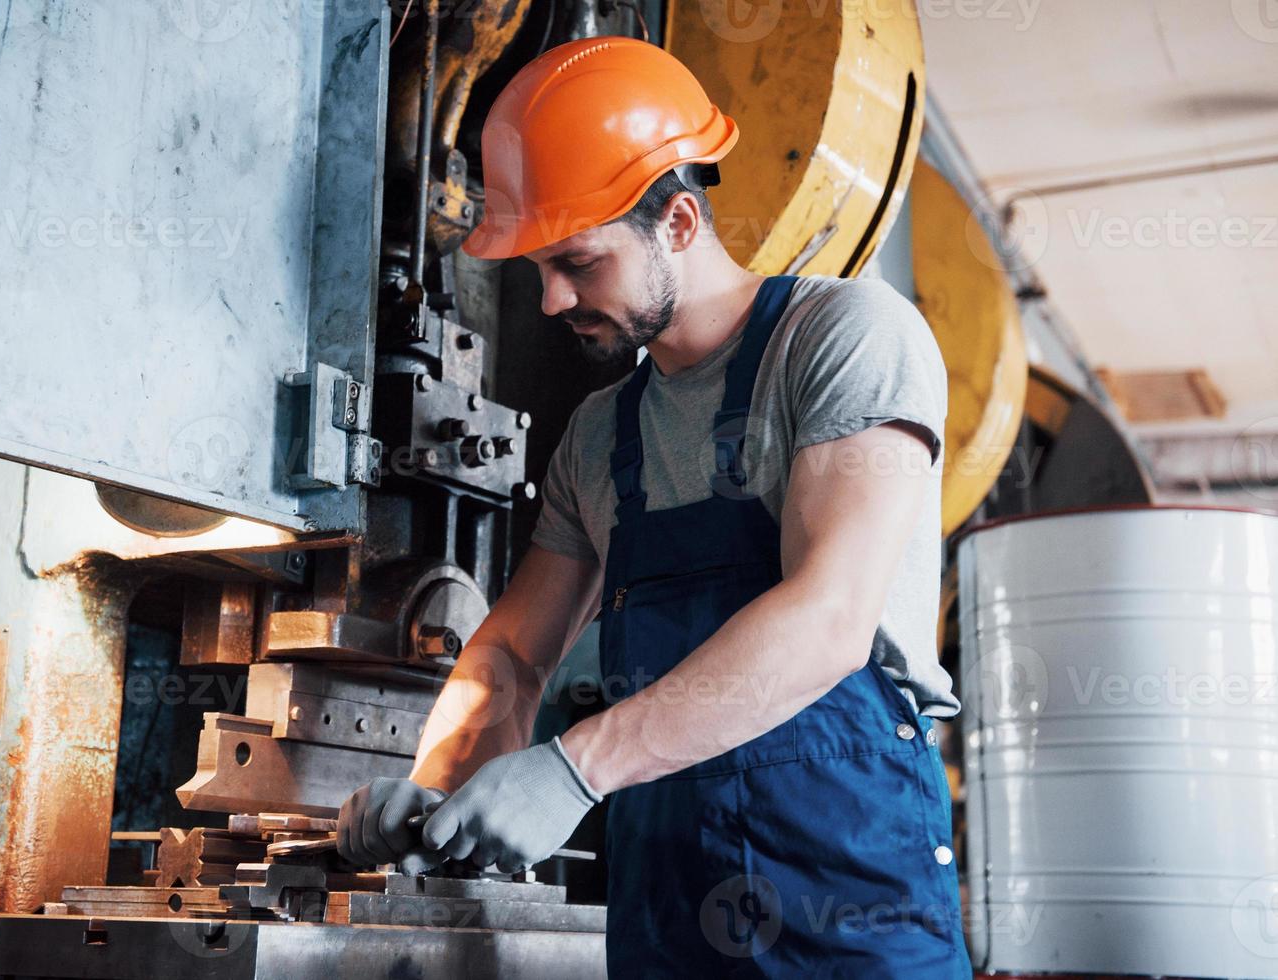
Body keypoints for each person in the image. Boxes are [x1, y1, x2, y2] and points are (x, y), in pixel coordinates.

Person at [338, 35, 973, 977]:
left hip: (846, 904)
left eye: (579, 263)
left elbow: (829, 618)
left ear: (678, 220)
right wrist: (438, 782)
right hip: (668, 908)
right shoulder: (598, 436)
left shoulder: (845, 339)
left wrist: (574, 768)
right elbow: (514, 650)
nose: (552, 300)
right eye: (536, 270)